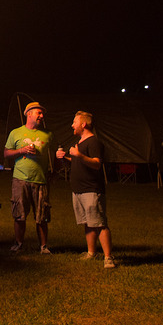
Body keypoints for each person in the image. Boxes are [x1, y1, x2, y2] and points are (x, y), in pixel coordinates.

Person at [57, 111, 116, 269]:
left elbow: (96, 164)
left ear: (83, 124)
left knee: (99, 223)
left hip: (91, 189)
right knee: (88, 222)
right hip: (78, 189)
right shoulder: (80, 142)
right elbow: (77, 163)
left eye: (75, 122)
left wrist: (79, 155)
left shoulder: (94, 142)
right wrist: (65, 158)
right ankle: (91, 252)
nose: (72, 125)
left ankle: (108, 257)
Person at [3, 101, 54, 254]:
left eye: (42, 113)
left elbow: (57, 152)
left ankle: (43, 246)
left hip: (40, 179)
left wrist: (55, 170)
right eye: (39, 113)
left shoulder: (48, 134)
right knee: (19, 214)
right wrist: (21, 151)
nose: (42, 116)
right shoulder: (15, 133)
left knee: (42, 216)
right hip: (20, 179)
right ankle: (18, 244)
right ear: (29, 114)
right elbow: (6, 153)